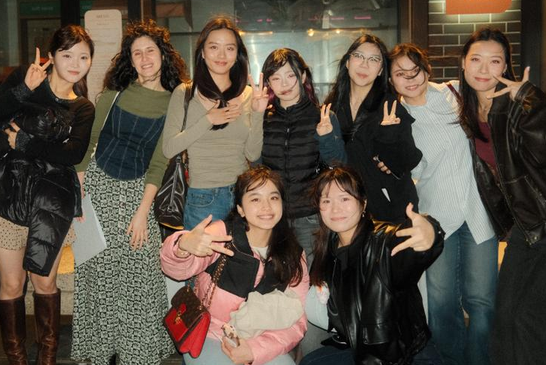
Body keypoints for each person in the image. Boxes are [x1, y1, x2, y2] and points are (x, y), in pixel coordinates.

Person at [0, 25, 95, 365]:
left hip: (52, 201)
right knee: (11, 284)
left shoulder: (83, 107)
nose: (75, 63)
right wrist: (24, 89)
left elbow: (72, 154)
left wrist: (25, 144)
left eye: (83, 57)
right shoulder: (27, 79)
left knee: (45, 283)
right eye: (67, 54)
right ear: (52, 56)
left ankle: (47, 361)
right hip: (8, 195)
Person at [71, 20, 189, 365]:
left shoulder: (175, 103)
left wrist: (142, 213)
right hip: (98, 190)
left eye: (150, 50)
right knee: (99, 278)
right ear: (130, 60)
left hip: (139, 194)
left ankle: (132, 363)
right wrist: (80, 191)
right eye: (137, 53)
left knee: (137, 280)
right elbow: (89, 143)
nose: (144, 58)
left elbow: (159, 162)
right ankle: (102, 360)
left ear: (163, 55)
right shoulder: (113, 95)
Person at [456, 28, 546, 365]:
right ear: (463, 63)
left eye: (495, 61)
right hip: (526, 228)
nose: (484, 69)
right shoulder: (465, 110)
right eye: (476, 59)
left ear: (506, 67)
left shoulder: (519, 104)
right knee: (504, 321)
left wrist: (529, 100)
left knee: (534, 321)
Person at [388, 43, 498, 365]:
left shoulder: (452, 94)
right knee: (441, 305)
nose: (410, 78)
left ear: (427, 70)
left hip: (478, 211)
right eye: (401, 73)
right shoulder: (396, 118)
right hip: (436, 218)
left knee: (482, 303)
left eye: (416, 70)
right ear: (391, 79)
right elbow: (407, 170)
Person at [160, 166, 309, 365]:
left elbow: (297, 320)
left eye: (274, 198)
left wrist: (255, 350)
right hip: (211, 334)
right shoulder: (222, 235)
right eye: (255, 199)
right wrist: (182, 246)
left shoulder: (293, 253)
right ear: (240, 209)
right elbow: (177, 270)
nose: (266, 206)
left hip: (261, 337)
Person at [300, 166, 444, 365]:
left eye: (344, 199)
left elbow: (410, 251)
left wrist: (431, 232)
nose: (335, 209)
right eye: (326, 201)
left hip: (404, 362)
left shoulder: (382, 241)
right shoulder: (329, 250)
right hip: (365, 355)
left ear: (363, 203)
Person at [162, 16, 268, 233]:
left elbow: (252, 153)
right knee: (204, 256)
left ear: (237, 55)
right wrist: (208, 120)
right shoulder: (185, 93)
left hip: (243, 196)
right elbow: (169, 148)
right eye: (214, 47)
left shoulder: (249, 94)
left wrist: (258, 113)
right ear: (202, 52)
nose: (222, 55)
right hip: (203, 198)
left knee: (241, 255)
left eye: (229, 48)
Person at [324, 35, 422, 223]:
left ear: (381, 70)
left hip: (391, 209)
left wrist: (388, 140)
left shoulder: (390, 106)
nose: (364, 65)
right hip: (348, 207)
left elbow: (409, 158)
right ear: (347, 62)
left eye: (374, 59)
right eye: (359, 56)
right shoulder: (332, 106)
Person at [260, 47, 346, 261]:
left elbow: (339, 166)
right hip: (271, 215)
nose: (285, 84)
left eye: (291, 75)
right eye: (276, 78)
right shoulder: (262, 118)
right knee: (275, 276)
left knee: (309, 276)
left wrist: (326, 137)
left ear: (303, 76)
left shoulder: (323, 116)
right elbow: (255, 165)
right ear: (268, 83)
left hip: (309, 217)